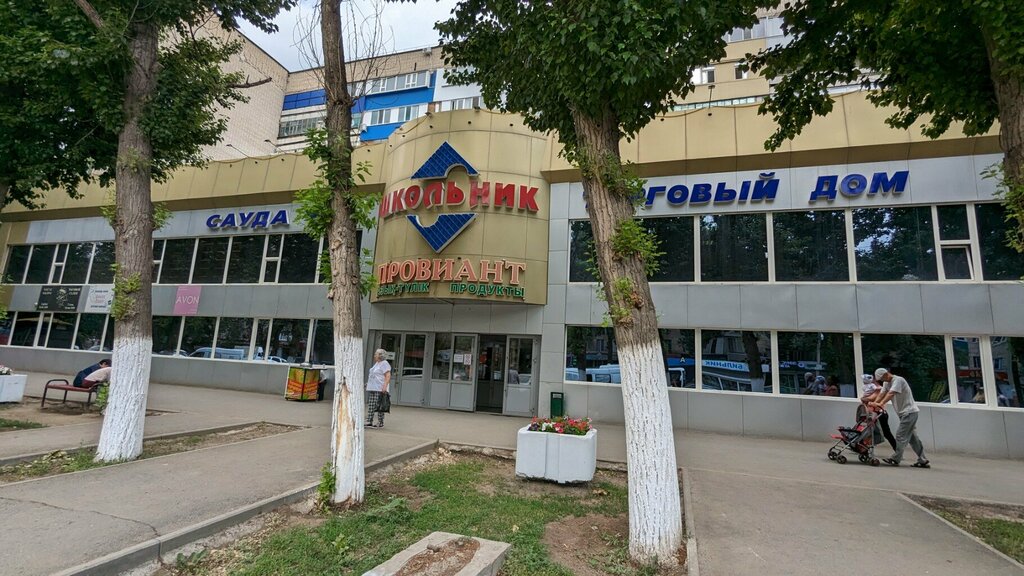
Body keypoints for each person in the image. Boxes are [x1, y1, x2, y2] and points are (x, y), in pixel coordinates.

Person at [871, 367, 930, 468]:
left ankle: (895, 458)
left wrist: (881, 404)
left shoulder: (898, 380)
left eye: (882, 378)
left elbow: (891, 393)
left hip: (909, 412)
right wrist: (875, 403)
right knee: (913, 438)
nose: (882, 381)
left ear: (886, 374)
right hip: (904, 414)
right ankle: (923, 460)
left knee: (900, 436)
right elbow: (882, 394)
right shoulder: (886, 383)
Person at [860, 374, 897, 451]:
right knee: (869, 431)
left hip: (879, 414)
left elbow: (869, 399)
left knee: (886, 433)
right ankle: (863, 448)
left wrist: (864, 398)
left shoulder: (879, 389)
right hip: (873, 413)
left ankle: (897, 449)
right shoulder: (872, 389)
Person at [366, 348, 391, 428]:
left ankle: (380, 422)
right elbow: (374, 375)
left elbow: (387, 375)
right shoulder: (377, 363)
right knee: (371, 405)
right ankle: (369, 421)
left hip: (380, 388)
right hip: (373, 387)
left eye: (376, 354)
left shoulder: (384, 363)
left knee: (379, 405)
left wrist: (385, 386)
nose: (374, 355)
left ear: (380, 355)